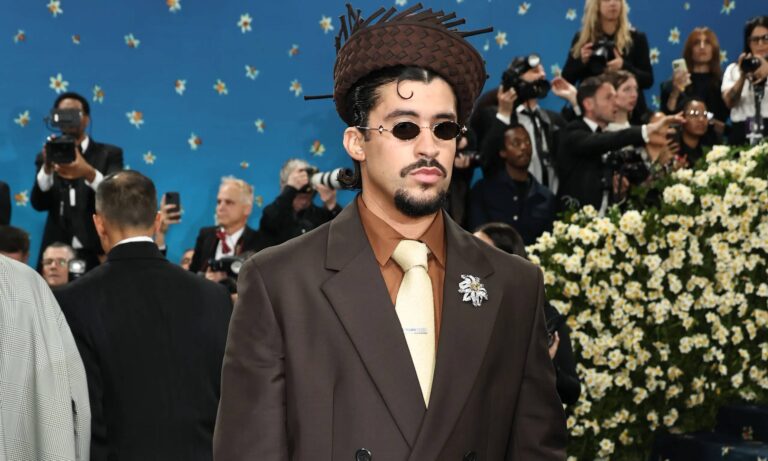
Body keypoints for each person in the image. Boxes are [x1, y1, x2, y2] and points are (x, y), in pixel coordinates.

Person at [214, 4, 566, 460]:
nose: (428, 147)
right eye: (404, 127)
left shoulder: (515, 285)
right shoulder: (279, 283)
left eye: (444, 128)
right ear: (356, 142)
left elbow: (536, 449)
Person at [55, 171, 232, 460]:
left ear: (99, 223)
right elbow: (231, 397)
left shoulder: (71, 301)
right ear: (157, 220)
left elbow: (82, 408)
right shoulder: (215, 297)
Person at [472, 222, 580, 406]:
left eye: (481, 252)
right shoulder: (462, 304)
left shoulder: (542, 314)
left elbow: (571, 392)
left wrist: (545, 365)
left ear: (508, 260)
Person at [0, 254, 91, 460]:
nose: (54, 267)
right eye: (49, 262)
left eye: (61, 262)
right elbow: (78, 399)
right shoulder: (29, 285)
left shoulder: (31, 285)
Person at [557, 75, 683, 211]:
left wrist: (619, 194)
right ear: (589, 104)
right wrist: (648, 129)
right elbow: (602, 141)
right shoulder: (574, 132)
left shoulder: (606, 138)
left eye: (615, 97)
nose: (615, 103)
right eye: (608, 98)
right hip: (573, 220)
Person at [31, 92, 123, 271]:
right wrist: (47, 169)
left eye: (74, 113)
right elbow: (39, 204)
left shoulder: (109, 154)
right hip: (56, 250)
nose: (68, 118)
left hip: (96, 251)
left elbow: (116, 196)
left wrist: (89, 173)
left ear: (87, 119)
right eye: (63, 113)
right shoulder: (46, 155)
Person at [471, 53, 574, 192]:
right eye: (535, 71)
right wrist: (504, 115)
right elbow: (486, 160)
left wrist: (575, 100)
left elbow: (577, 149)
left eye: (543, 71)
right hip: (507, 200)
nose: (543, 75)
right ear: (516, 78)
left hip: (550, 200)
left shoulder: (552, 119)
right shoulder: (493, 116)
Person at [562, 0, 653, 123]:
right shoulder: (583, 39)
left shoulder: (636, 38)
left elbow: (648, 80)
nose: (613, 3)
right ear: (596, 5)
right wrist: (580, 61)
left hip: (630, 116)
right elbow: (566, 81)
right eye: (606, 0)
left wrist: (624, 66)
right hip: (593, 116)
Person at [469, 124, 557, 245]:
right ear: (503, 152)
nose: (524, 147)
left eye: (527, 142)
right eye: (516, 143)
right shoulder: (483, 190)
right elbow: (476, 236)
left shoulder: (546, 197)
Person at [660, 27, 728, 142]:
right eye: (697, 43)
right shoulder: (673, 84)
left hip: (714, 144)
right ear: (689, 50)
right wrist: (675, 92)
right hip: (681, 144)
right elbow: (668, 117)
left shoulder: (723, 84)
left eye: (707, 43)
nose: (702, 47)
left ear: (714, 49)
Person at [188, 176, 266, 276]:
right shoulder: (206, 235)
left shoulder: (259, 242)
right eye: (219, 202)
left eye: (229, 202)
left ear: (247, 209)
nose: (220, 207)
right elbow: (192, 275)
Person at [259, 158, 342, 246]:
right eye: (298, 179)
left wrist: (331, 204)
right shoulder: (272, 214)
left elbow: (344, 235)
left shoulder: (322, 216)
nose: (304, 183)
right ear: (284, 186)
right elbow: (270, 222)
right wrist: (291, 189)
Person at [722, 15, 768, 146]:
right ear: (748, 43)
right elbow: (729, 102)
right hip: (741, 134)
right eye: (755, 39)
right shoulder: (733, 70)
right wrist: (743, 75)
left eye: (766, 38)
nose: (760, 44)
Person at [677, 99, 711, 167]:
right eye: (695, 114)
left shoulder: (711, 149)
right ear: (682, 117)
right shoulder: (673, 148)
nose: (701, 119)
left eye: (705, 115)